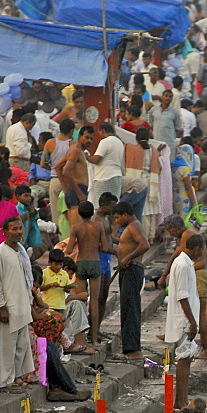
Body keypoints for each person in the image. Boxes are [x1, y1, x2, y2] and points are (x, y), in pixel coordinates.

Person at [0, 218, 34, 390]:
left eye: (20, 228)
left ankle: (17, 376)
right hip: (8, 307)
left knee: (21, 344)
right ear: (5, 232)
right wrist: (2, 307)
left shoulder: (21, 250)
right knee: (7, 346)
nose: (18, 232)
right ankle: (5, 381)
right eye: (14, 229)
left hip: (22, 304)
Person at [161, 233, 203, 409]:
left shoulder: (184, 262)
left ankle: (183, 398)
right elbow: (182, 296)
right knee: (183, 357)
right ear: (196, 248)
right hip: (184, 319)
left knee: (188, 356)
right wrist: (192, 322)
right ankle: (180, 401)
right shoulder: (183, 264)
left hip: (187, 317)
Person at [65, 200, 109, 350]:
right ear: (92, 213)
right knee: (94, 302)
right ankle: (94, 339)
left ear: (79, 213)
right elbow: (105, 246)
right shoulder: (98, 226)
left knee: (82, 301)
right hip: (95, 262)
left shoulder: (76, 228)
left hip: (81, 263)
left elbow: (69, 248)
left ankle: (82, 339)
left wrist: (78, 243)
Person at [114, 202, 149, 360]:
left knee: (131, 308)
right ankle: (129, 347)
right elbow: (126, 244)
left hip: (132, 269)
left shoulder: (134, 226)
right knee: (127, 308)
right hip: (128, 270)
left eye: (117, 217)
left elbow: (145, 245)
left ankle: (133, 350)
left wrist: (127, 257)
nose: (116, 221)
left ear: (125, 215)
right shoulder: (133, 226)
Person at [87, 122, 125, 206]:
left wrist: (87, 156)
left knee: (101, 206)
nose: (98, 135)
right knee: (114, 206)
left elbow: (96, 159)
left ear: (102, 131)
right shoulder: (119, 142)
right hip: (116, 176)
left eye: (99, 132)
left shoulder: (106, 141)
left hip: (104, 177)